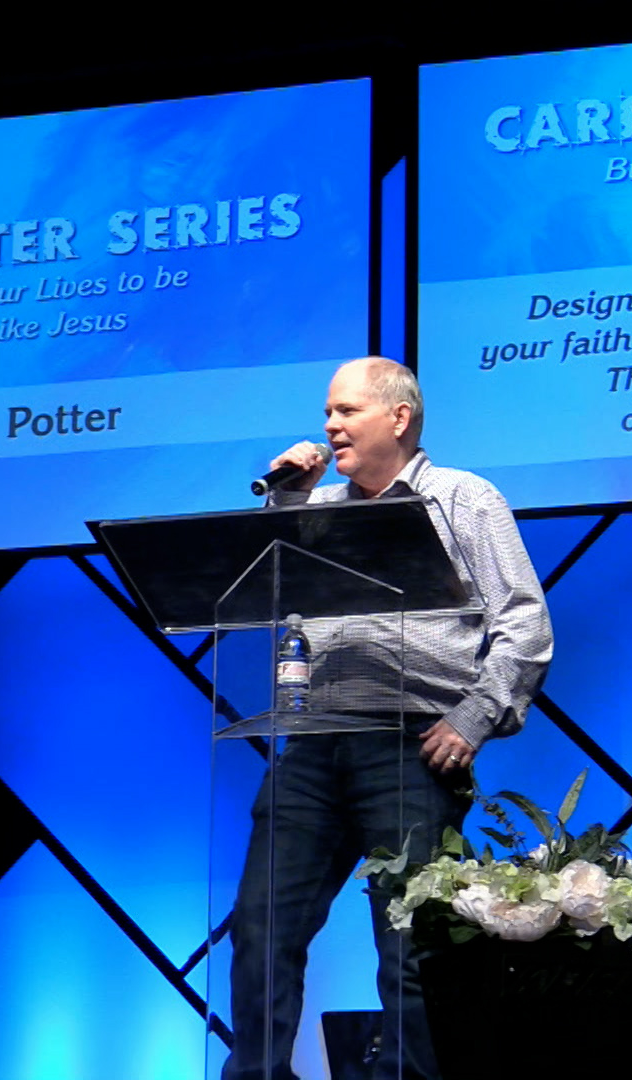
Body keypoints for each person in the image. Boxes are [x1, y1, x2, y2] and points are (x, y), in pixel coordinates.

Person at [223, 357, 553, 1080]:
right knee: (260, 927)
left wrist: (472, 718)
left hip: (411, 744)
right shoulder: (316, 508)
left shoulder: (463, 498)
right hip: (313, 742)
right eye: (328, 413)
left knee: (410, 945)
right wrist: (287, 501)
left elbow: (524, 624)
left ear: (398, 418)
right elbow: (256, 587)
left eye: (346, 411)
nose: (330, 426)